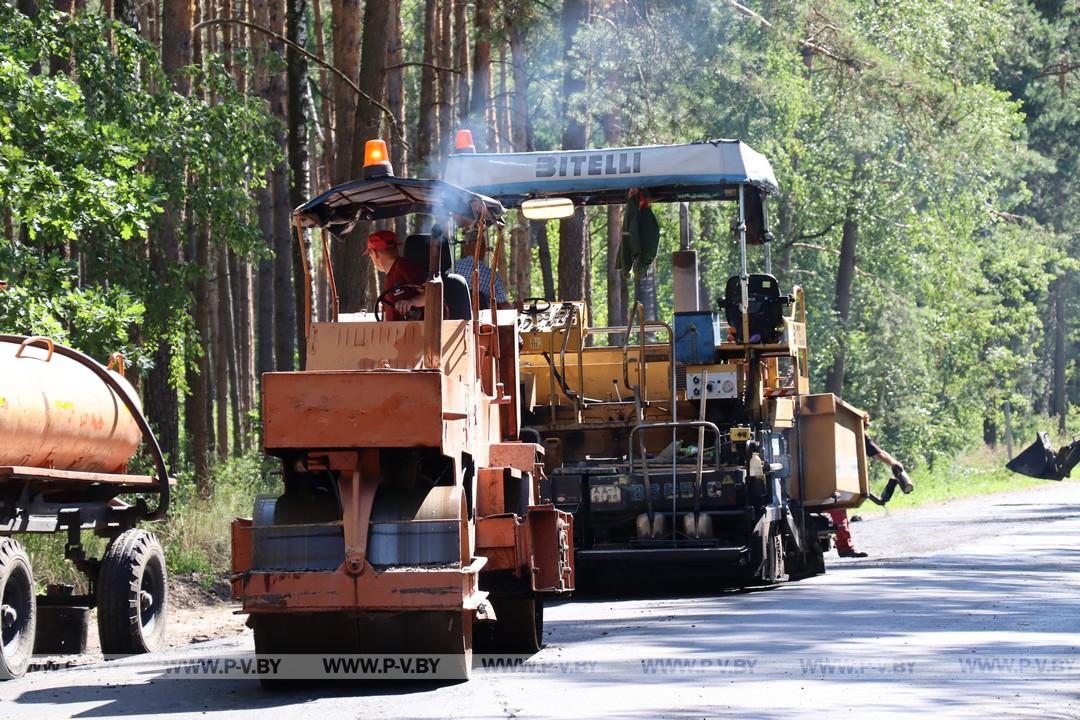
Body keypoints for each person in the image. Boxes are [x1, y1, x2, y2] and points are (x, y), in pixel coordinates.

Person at [829, 415, 914, 558]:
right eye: (865, 426)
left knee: (836, 511)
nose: (865, 430)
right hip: (831, 479)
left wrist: (893, 463)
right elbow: (878, 454)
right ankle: (845, 548)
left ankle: (844, 547)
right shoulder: (850, 432)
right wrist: (892, 463)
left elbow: (877, 452)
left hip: (829, 479)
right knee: (838, 511)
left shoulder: (853, 433)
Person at [364, 230, 426, 321]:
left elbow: (433, 294)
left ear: (374, 253)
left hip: (415, 333)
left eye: (370, 255)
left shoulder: (403, 266)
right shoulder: (391, 276)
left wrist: (412, 302)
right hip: (397, 333)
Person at [453, 227, 512, 310]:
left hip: (453, 319)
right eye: (486, 249)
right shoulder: (492, 277)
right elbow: (503, 306)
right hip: (481, 321)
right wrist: (515, 307)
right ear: (482, 249)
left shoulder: (451, 270)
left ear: (465, 248)